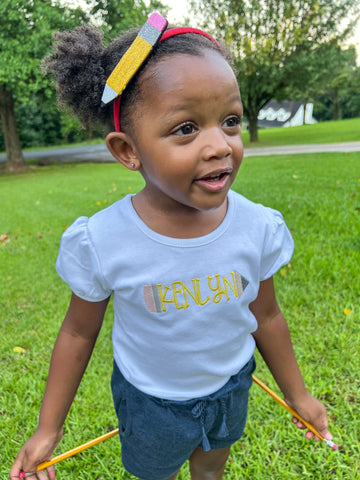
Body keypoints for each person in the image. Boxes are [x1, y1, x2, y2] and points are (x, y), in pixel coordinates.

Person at [10, 13, 333, 480]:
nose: (220, 145)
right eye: (186, 128)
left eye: (230, 121)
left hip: (231, 387)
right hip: (149, 404)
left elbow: (266, 316)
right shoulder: (102, 240)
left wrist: (299, 395)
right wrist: (48, 429)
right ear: (127, 151)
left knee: (210, 470)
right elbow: (78, 334)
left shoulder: (258, 226)